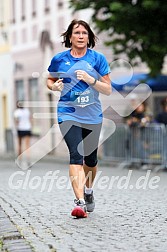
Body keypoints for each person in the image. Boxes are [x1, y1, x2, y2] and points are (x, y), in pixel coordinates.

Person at [47, 19, 111, 218]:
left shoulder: (97, 59)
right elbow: (49, 79)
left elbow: (108, 89)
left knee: (90, 159)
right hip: (68, 113)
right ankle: (80, 202)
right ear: (70, 37)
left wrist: (91, 80)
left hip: (92, 115)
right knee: (76, 155)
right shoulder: (59, 59)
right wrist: (54, 86)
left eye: (84, 33)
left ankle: (89, 191)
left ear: (89, 37)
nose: (81, 36)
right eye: (77, 33)